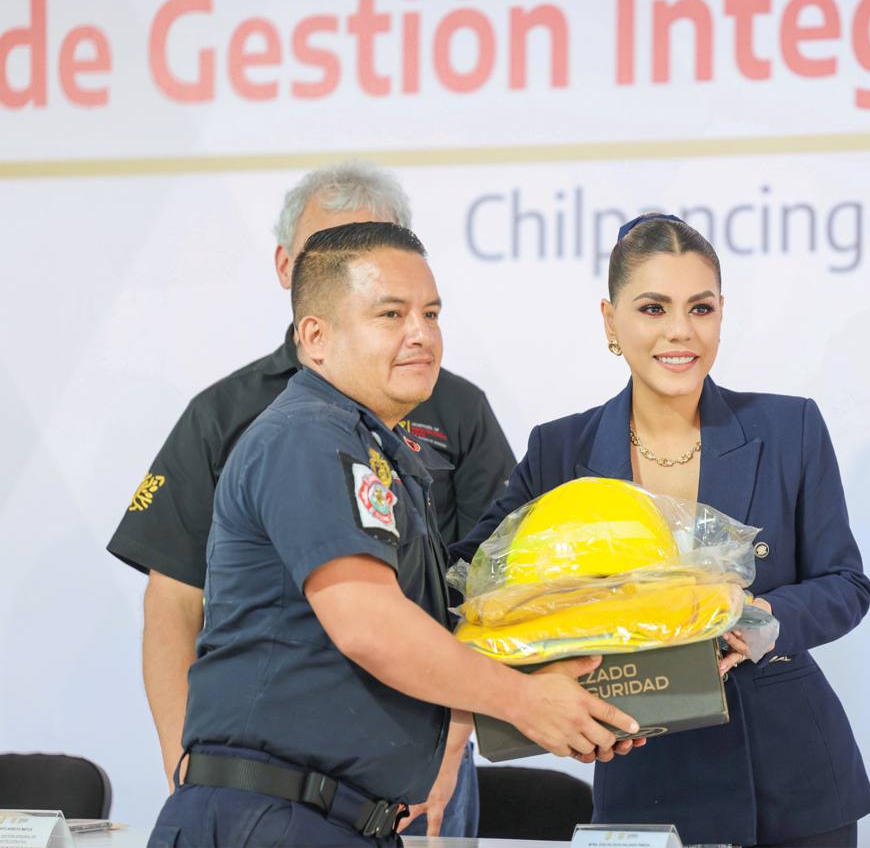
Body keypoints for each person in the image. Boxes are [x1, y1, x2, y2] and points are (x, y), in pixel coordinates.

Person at [148, 222, 641, 847]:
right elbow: (369, 626)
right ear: (315, 337)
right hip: (274, 819)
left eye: (431, 314)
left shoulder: (374, 450)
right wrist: (524, 701)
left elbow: (431, 627)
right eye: (391, 314)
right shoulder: (307, 436)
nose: (421, 334)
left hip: (334, 819)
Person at [107, 161, 512, 836]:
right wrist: (187, 762)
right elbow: (174, 600)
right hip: (277, 788)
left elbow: (487, 594)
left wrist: (451, 743)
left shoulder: (457, 407)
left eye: (381, 250)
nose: (413, 328)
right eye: (335, 251)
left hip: (420, 761)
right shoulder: (237, 415)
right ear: (290, 268)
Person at [451, 213, 870, 847]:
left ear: (722, 314)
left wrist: (758, 618)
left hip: (791, 781)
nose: (680, 331)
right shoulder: (559, 450)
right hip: (640, 769)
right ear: (610, 321)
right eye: (653, 308)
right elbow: (476, 585)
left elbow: (845, 584)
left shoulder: (791, 428)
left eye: (700, 308)